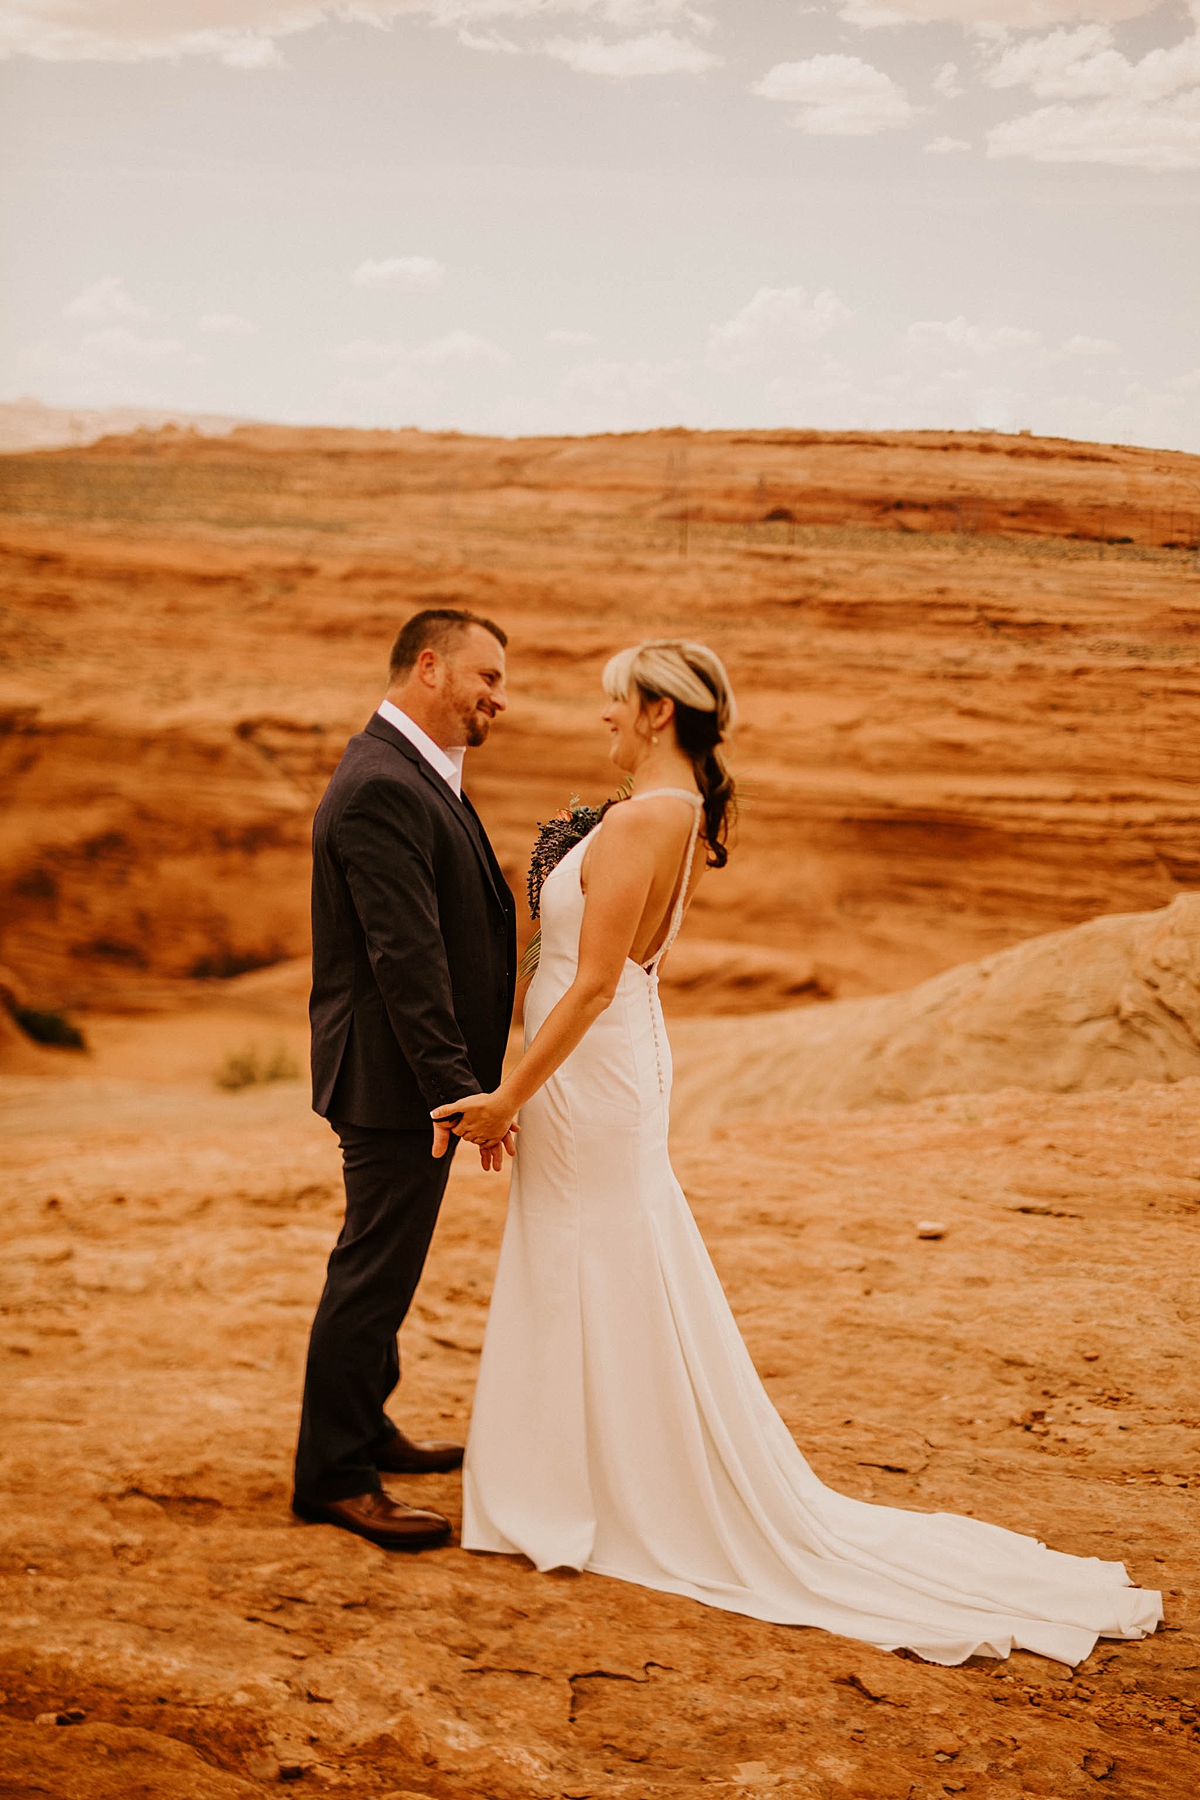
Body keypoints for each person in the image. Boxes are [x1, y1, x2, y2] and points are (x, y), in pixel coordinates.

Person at [432, 638, 1162, 1666]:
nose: (600, 717)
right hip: (601, 1069)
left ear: (656, 714)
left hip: (590, 1068)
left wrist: (509, 1093)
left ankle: (588, 1487)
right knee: (590, 1255)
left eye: (613, 703)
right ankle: (583, 1477)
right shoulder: (674, 814)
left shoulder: (646, 818)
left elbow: (593, 982)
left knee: (587, 1255)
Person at [293, 609, 517, 1550]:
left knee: (387, 1266)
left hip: (400, 1078)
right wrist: (456, 1092)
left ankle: (367, 1427)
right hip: (394, 1085)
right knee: (371, 1273)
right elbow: (405, 959)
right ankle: (335, 1476)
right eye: (487, 676)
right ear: (429, 666)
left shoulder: (415, 772)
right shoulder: (385, 784)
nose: (497, 698)